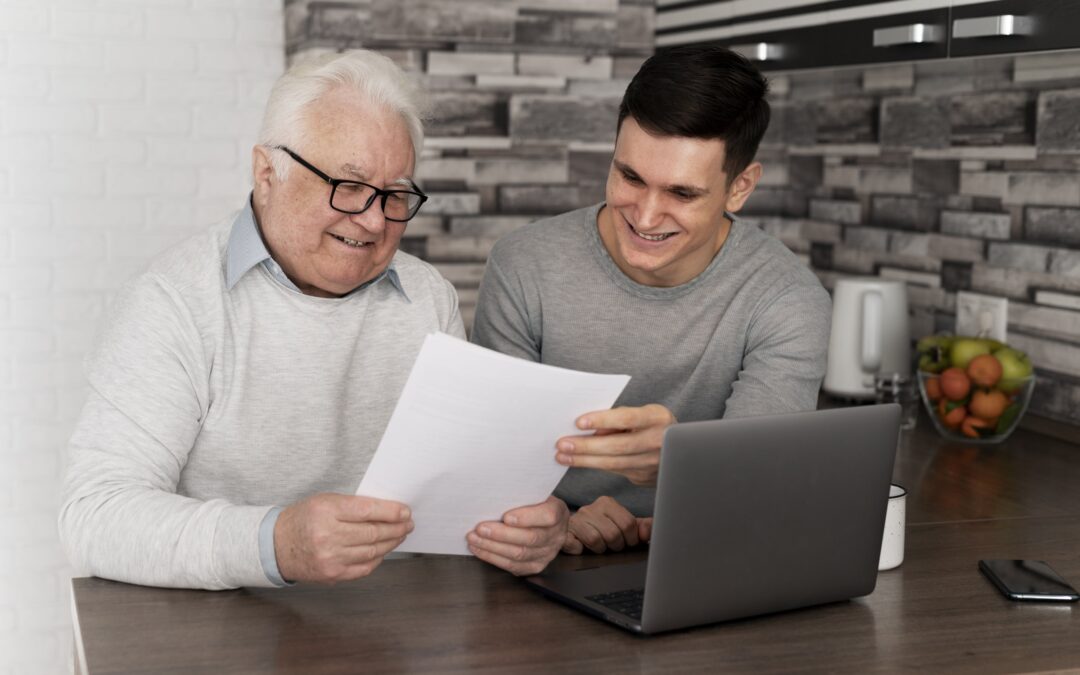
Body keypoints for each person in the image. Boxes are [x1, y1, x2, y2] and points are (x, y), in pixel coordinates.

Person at [59, 50, 568, 590]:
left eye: (395, 194)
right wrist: (275, 543)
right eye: (347, 187)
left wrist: (525, 525)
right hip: (221, 631)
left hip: (398, 628)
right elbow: (94, 516)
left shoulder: (427, 297)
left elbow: (463, 494)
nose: (373, 220)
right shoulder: (174, 303)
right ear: (266, 173)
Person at [471, 45, 831, 556]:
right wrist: (553, 521)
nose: (644, 215)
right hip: (541, 560)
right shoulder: (522, 266)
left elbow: (763, 486)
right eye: (630, 177)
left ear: (740, 187)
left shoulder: (787, 300)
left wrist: (683, 462)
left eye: (682, 194)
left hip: (706, 555)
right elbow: (487, 463)